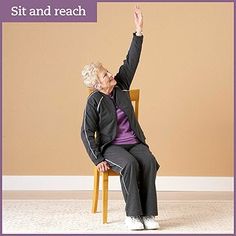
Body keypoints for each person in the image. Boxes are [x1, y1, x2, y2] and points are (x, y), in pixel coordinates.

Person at [81, 6, 160, 231]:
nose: (111, 74)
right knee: (130, 164)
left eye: (107, 71)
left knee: (148, 161)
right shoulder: (93, 101)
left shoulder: (121, 85)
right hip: (111, 147)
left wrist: (138, 31)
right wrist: (97, 159)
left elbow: (131, 60)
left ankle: (148, 214)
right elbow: (86, 132)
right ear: (98, 84)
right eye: (106, 74)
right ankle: (133, 215)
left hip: (134, 142)